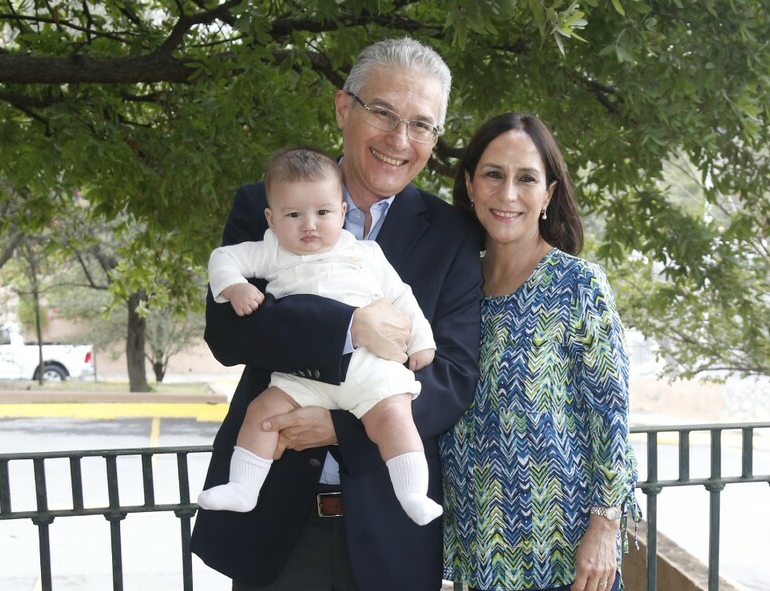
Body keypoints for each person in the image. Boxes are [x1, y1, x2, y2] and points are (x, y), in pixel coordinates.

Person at [191, 37, 483, 591]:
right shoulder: (268, 204)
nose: (400, 140)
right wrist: (348, 327)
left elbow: (452, 377)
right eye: (384, 113)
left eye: (422, 124)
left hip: (389, 533)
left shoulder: (452, 236)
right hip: (278, 524)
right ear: (344, 108)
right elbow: (229, 332)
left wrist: (343, 428)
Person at [441, 113, 642, 591]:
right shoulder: (452, 284)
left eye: (526, 178)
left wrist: (604, 530)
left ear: (548, 194)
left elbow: (611, 418)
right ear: (470, 185)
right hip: (476, 556)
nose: (508, 194)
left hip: (561, 559)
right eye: (493, 174)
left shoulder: (578, 285)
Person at [197, 147, 442, 526]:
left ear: (342, 212)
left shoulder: (366, 253)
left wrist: (421, 339)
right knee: (262, 413)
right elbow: (222, 258)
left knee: (395, 417)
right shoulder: (272, 251)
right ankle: (243, 488)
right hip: (304, 377)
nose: (309, 225)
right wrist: (234, 288)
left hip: (369, 371)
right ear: (272, 219)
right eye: (294, 215)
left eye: (323, 213)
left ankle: (412, 492)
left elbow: (401, 296)